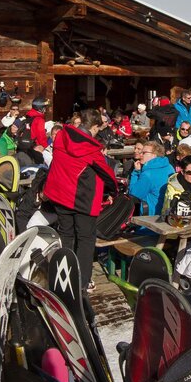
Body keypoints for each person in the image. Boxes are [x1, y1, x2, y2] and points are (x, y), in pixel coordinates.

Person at [44, 108, 119, 289]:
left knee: (66, 235)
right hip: (81, 198)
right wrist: (114, 190)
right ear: (93, 127)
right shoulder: (90, 149)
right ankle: (82, 283)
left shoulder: (61, 136)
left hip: (59, 193)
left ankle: (63, 278)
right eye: (97, 129)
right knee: (86, 239)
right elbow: (108, 174)